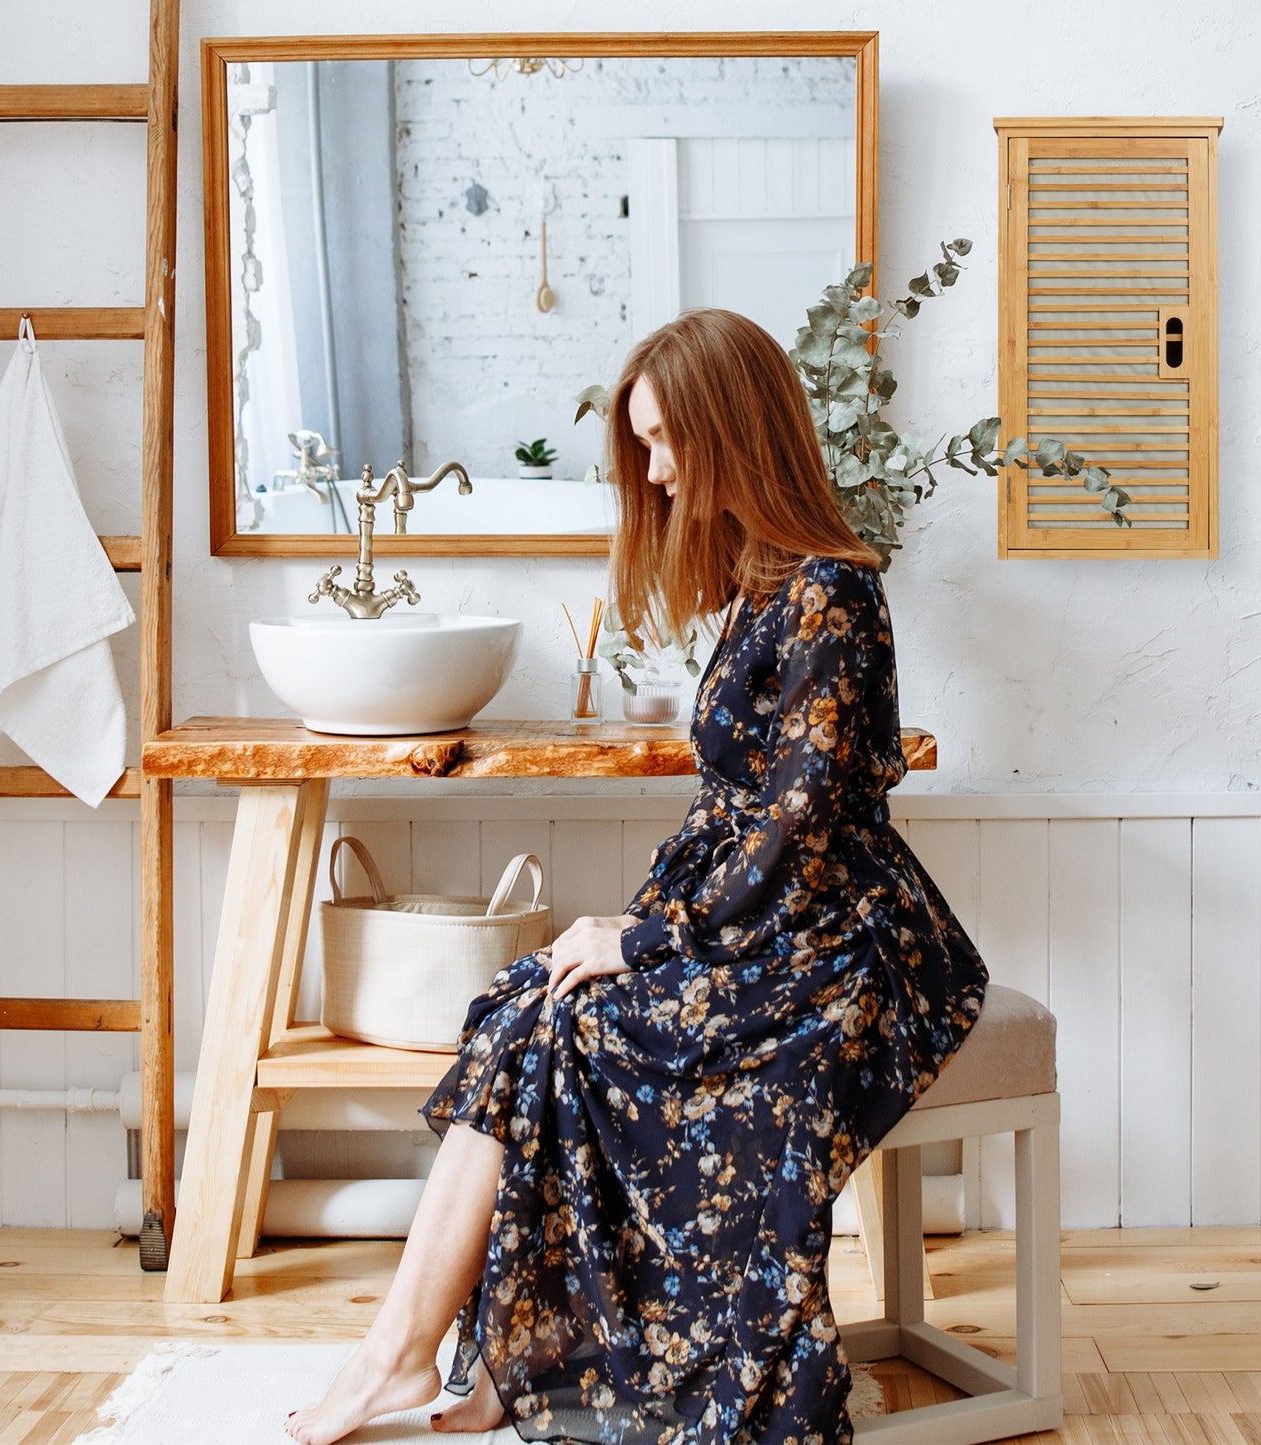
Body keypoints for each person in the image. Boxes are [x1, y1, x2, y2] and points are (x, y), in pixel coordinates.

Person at [286, 309, 987, 1445]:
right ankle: (426, 1353)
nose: (654, 472)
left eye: (666, 441)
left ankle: (424, 1357)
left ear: (731, 430)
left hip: (848, 949)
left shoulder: (831, 592)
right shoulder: (760, 590)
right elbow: (737, 820)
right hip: (765, 925)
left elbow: (793, 833)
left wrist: (646, 939)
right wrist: (640, 922)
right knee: (530, 1008)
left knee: (579, 1023)